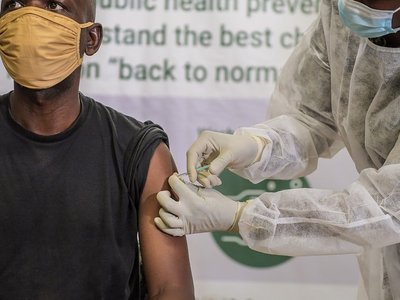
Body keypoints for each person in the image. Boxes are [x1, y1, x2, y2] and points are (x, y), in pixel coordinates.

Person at [154, 0, 400, 299]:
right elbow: (311, 115)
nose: (353, 5)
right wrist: (256, 145)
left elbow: (384, 210)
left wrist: (242, 216)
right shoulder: (339, 11)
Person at [0, 0, 194, 299]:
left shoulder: (142, 152)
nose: (31, 18)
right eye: (14, 4)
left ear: (91, 39)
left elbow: (170, 289)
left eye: (55, 6)